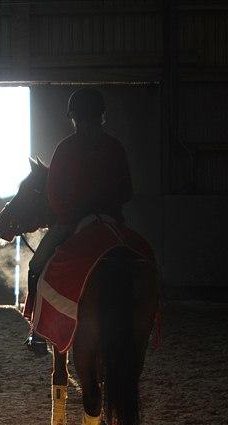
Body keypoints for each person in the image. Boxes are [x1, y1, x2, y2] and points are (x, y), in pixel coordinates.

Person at [25, 87, 133, 352]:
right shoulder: (115, 146)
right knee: (138, 258)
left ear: (73, 116)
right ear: (101, 115)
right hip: (111, 222)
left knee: (37, 264)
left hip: (73, 221)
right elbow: (127, 191)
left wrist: (71, 212)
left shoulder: (65, 148)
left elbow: (54, 195)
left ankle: (37, 333)